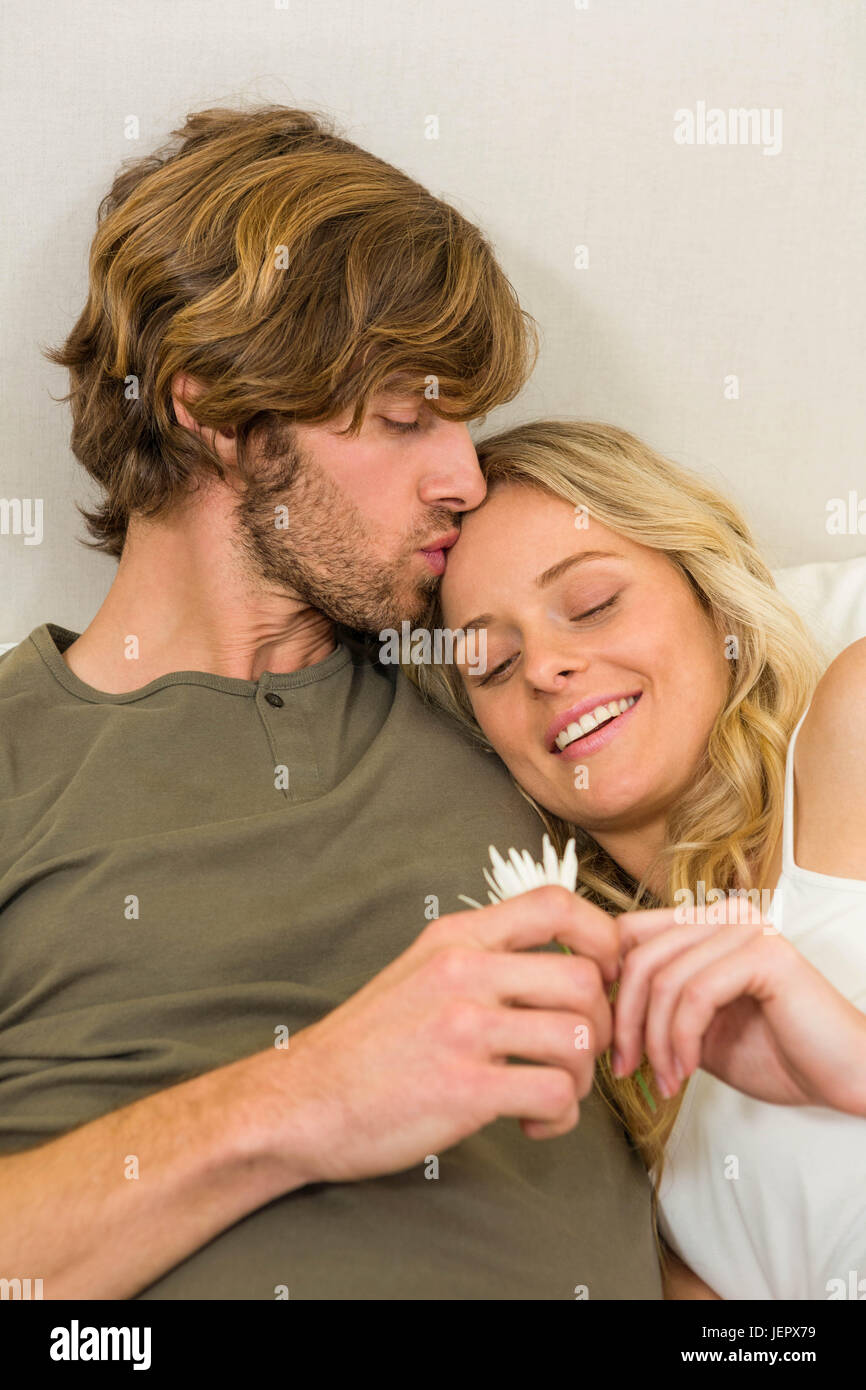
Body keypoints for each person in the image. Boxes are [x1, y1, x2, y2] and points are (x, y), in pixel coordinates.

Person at [0, 108, 663, 1299]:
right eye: (407, 418)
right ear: (210, 410)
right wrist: (301, 1098)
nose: (464, 475)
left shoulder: (495, 678)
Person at [409, 417, 866, 1300]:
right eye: (493, 664)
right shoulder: (629, 1093)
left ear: (709, 594)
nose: (545, 667)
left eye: (590, 605)